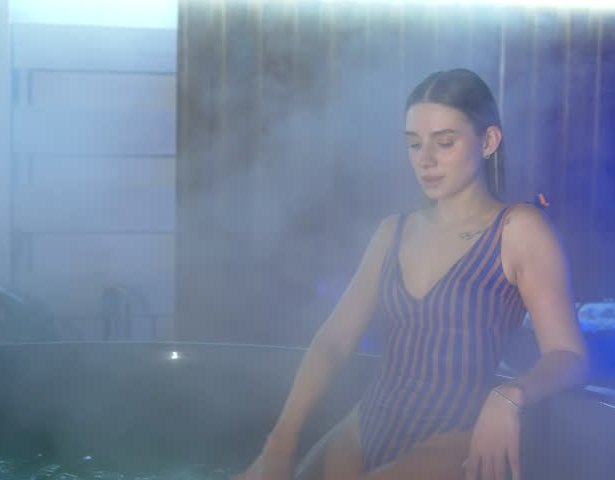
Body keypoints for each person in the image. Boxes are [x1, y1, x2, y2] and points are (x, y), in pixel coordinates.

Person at [234, 68, 588, 480]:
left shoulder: (519, 229)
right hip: (365, 424)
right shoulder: (393, 231)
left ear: (488, 141)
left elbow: (569, 356)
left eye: (445, 142)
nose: (426, 160)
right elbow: (334, 340)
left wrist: (510, 395)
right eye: (415, 144)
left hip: (455, 437)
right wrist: (280, 443)